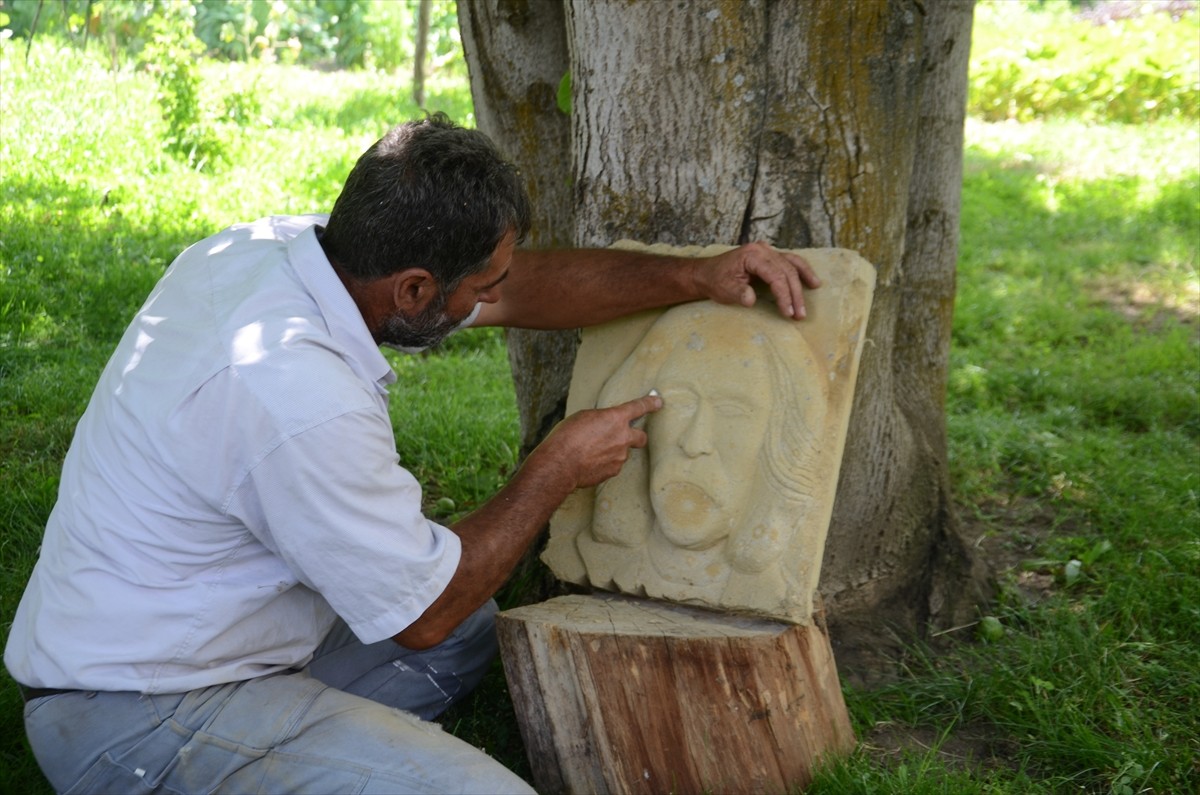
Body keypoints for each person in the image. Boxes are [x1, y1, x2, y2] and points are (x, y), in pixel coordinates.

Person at [3, 112, 819, 794]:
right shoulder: (296, 394)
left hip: (188, 635)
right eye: (480, 285)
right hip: (142, 719)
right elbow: (423, 616)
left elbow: (526, 286)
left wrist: (694, 277)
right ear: (417, 291)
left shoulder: (274, 254)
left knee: (477, 625)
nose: (494, 297)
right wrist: (554, 470)